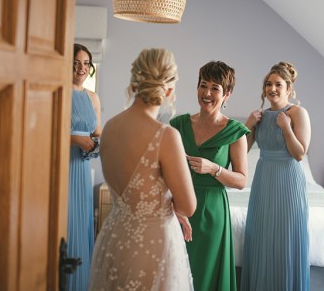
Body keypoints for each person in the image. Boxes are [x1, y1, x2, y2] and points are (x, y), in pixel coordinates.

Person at [89, 48, 197, 290]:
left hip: (115, 236)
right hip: (153, 245)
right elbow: (188, 206)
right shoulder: (166, 135)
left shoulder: (111, 127)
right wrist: (170, 207)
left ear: (134, 83)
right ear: (169, 89)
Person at [170, 61, 250, 291]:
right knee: (176, 272)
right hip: (179, 207)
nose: (207, 93)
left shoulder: (235, 132)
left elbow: (242, 180)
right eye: (203, 85)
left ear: (227, 95)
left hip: (212, 212)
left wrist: (214, 169)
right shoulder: (178, 125)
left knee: (204, 274)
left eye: (216, 88)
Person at [241, 62, 311, 291]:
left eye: (278, 84)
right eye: (268, 84)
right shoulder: (260, 116)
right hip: (263, 179)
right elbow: (242, 151)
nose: (272, 88)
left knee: (285, 236)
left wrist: (287, 128)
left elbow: (300, 154)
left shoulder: (298, 113)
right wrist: (248, 125)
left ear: (288, 88)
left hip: (288, 179)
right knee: (262, 234)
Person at [68, 43, 102, 291]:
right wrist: (74, 139)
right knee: (65, 222)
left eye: (86, 63)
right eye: (76, 62)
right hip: (62, 165)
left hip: (82, 168)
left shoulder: (92, 97)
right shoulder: (56, 92)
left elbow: (97, 133)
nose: (81, 68)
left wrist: (93, 145)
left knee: (82, 223)